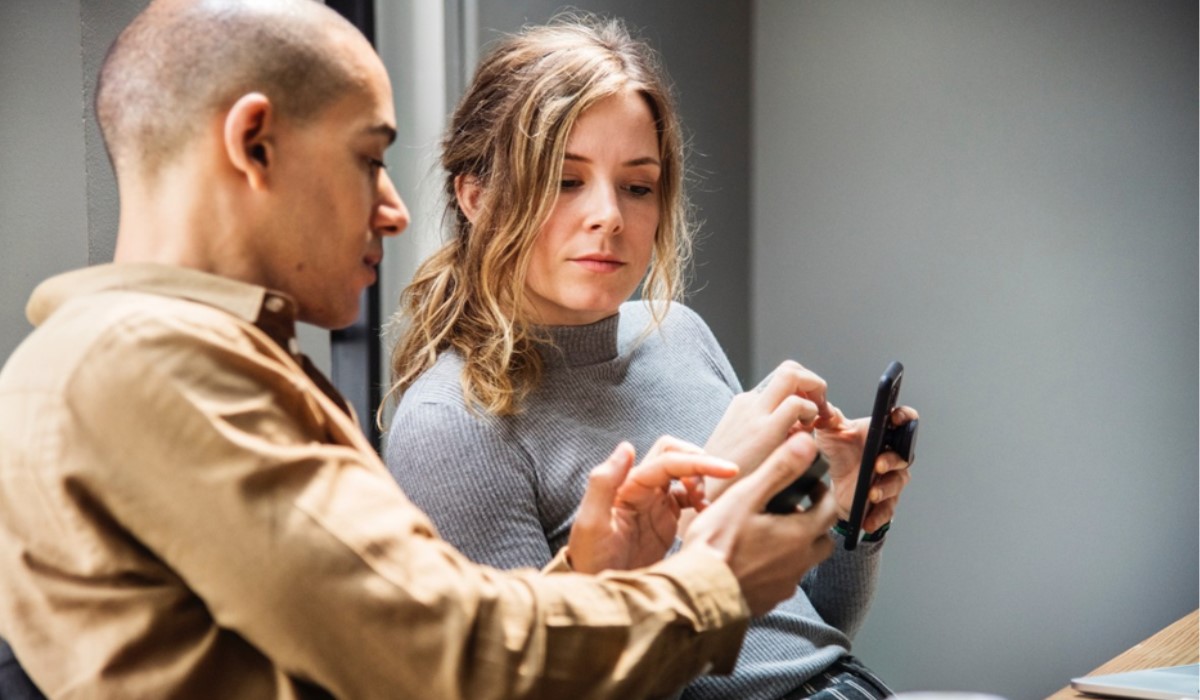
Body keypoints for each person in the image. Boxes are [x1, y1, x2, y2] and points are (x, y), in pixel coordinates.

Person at [0, 1, 845, 697]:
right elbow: (437, 659)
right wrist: (710, 582)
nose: (396, 209)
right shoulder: (151, 366)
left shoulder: (182, 358)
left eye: (637, 185)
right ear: (253, 144)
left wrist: (591, 570)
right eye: (370, 159)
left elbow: (395, 636)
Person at [383, 17, 918, 700]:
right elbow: (544, 689)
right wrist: (707, 508)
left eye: (638, 186)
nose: (609, 215)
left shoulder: (679, 335)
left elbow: (793, 641)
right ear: (477, 196)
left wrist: (845, 521)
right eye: (565, 181)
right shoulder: (450, 425)